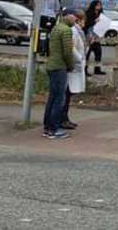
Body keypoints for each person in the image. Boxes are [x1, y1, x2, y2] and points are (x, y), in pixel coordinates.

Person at [43, 11, 75, 139]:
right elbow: (67, 52)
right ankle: (54, 129)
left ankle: (47, 126)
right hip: (59, 66)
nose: (76, 20)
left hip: (51, 65)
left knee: (52, 97)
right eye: (75, 17)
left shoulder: (56, 28)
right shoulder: (66, 30)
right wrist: (70, 65)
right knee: (59, 99)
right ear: (67, 16)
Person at [62, 9, 86, 130]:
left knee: (68, 93)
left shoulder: (78, 31)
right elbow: (71, 48)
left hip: (75, 65)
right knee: (66, 93)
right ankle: (63, 118)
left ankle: (65, 118)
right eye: (82, 20)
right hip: (73, 66)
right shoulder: (73, 31)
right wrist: (79, 58)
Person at [83, 0, 105, 76]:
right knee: (87, 54)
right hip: (88, 36)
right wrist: (95, 21)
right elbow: (86, 24)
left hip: (96, 36)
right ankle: (84, 70)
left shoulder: (101, 14)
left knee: (98, 53)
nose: (99, 6)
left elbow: (103, 24)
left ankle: (97, 69)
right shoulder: (88, 13)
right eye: (97, 5)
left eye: (100, 5)